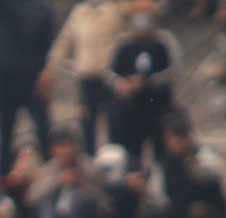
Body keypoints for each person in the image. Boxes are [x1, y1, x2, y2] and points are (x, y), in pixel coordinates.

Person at [0, 0, 55, 176]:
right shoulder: (1, 5)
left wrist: (47, 73)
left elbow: (48, 45)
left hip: (34, 82)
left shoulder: (42, 9)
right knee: (5, 138)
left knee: (44, 133)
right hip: (5, 83)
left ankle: (50, 177)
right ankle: (2, 182)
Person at [45, 0, 125, 153]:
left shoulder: (115, 10)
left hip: (109, 79)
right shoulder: (78, 13)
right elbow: (65, 40)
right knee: (87, 127)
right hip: (86, 80)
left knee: (115, 126)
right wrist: (52, 64)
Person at [107, 0, 177, 166]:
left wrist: (148, 82)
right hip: (131, 111)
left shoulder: (163, 42)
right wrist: (123, 84)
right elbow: (110, 73)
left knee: (162, 154)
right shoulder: (123, 44)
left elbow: (173, 71)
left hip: (159, 109)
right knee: (132, 155)